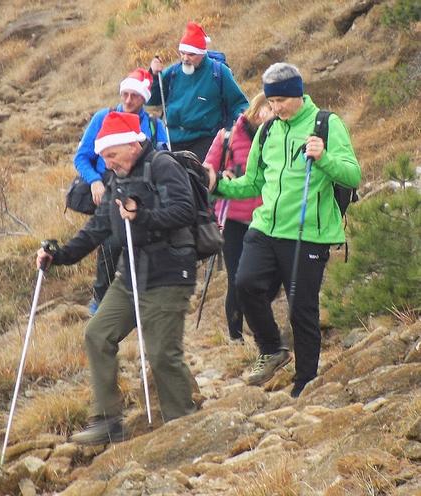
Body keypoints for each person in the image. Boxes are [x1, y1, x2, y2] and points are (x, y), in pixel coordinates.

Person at [37, 111, 197, 445]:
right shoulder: (116, 178)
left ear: (132, 144)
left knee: (162, 353)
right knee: (97, 333)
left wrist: (143, 215)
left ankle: (183, 426)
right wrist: (60, 255)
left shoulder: (163, 165)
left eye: (111, 155)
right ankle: (108, 420)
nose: (107, 163)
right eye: (103, 157)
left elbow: (186, 210)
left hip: (169, 273)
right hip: (131, 275)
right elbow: (99, 227)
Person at [207, 63, 361, 397]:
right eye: (271, 101)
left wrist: (323, 159)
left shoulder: (326, 124)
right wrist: (217, 184)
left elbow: (352, 175)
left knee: (301, 308)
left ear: (297, 94)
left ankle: (305, 381)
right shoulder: (267, 131)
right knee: (245, 283)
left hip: (308, 234)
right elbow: (252, 183)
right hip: (265, 227)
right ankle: (272, 348)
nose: (275, 108)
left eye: (280, 100)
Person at [74, 68, 168, 316]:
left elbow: (163, 158)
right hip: (106, 186)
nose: (128, 100)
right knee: (109, 240)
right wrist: (94, 180)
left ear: (144, 98)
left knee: (139, 242)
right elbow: (82, 157)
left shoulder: (154, 126)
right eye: (125, 94)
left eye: (134, 96)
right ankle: (101, 298)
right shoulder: (103, 117)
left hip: (142, 191)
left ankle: (139, 300)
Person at [202, 93, 274, 343]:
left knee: (263, 281)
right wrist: (223, 176)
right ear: (256, 111)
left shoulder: (278, 135)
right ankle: (235, 338)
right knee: (236, 278)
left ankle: (260, 330)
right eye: (269, 109)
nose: (272, 115)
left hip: (267, 220)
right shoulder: (228, 138)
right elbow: (207, 172)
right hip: (234, 220)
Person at [148, 21, 248, 162]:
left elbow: (239, 104)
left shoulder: (219, 72)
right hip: (173, 141)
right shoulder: (173, 73)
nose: (185, 58)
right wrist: (153, 75)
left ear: (202, 53)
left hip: (206, 142)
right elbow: (152, 99)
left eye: (191, 54)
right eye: (182, 53)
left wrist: (236, 129)